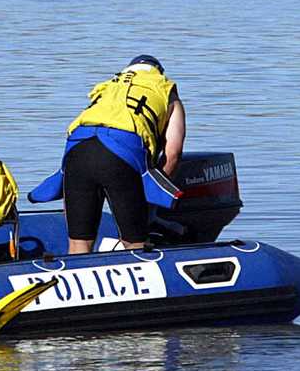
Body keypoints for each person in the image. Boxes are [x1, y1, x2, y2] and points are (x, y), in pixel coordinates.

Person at [30, 54, 186, 253]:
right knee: (135, 243)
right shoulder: (167, 92)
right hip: (120, 154)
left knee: (78, 243)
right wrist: (150, 201)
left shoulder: (109, 87)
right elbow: (173, 153)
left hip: (77, 152)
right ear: (159, 72)